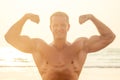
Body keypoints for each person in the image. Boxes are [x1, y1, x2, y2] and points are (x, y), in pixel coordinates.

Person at [5, 11, 115, 80]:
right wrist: (25, 17)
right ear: (50, 27)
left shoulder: (80, 46)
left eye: (63, 25)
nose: (59, 28)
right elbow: (10, 37)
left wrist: (92, 17)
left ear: (68, 27)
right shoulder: (39, 47)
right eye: (55, 25)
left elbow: (109, 37)